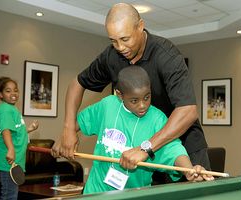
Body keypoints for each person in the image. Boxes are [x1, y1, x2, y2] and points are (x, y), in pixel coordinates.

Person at [52, 3, 211, 183]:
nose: (119, 47)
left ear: (140, 26)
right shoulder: (111, 56)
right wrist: (68, 130)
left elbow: (187, 111)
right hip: (137, 146)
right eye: (113, 40)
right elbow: (77, 83)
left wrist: (145, 149)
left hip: (181, 145)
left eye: (125, 39)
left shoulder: (167, 56)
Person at [76, 66, 213, 194]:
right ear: (120, 95)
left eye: (147, 97)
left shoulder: (157, 119)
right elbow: (82, 121)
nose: (143, 105)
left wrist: (189, 170)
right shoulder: (108, 105)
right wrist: (67, 135)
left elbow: (173, 149)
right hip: (95, 192)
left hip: (135, 194)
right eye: (134, 101)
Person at [0, 77, 39, 200]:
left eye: (15, 90)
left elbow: (15, 131)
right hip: (9, 161)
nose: (13, 93)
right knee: (9, 195)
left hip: (16, 160)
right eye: (8, 91)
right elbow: (5, 130)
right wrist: (10, 149)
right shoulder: (5, 109)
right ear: (1, 95)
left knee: (10, 194)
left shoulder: (11, 108)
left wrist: (29, 129)